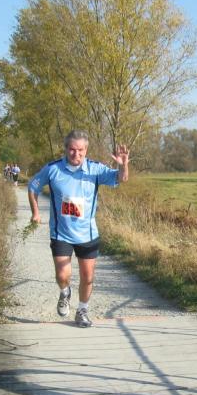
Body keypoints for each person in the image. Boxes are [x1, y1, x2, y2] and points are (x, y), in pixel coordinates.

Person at [28, 130, 130, 328]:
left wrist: (123, 165)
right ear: (66, 149)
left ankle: (82, 310)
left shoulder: (95, 169)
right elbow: (33, 187)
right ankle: (65, 292)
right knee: (62, 275)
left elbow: (121, 178)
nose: (76, 154)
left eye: (81, 150)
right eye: (72, 150)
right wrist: (36, 213)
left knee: (88, 277)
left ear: (86, 149)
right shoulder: (53, 169)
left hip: (87, 234)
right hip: (61, 233)